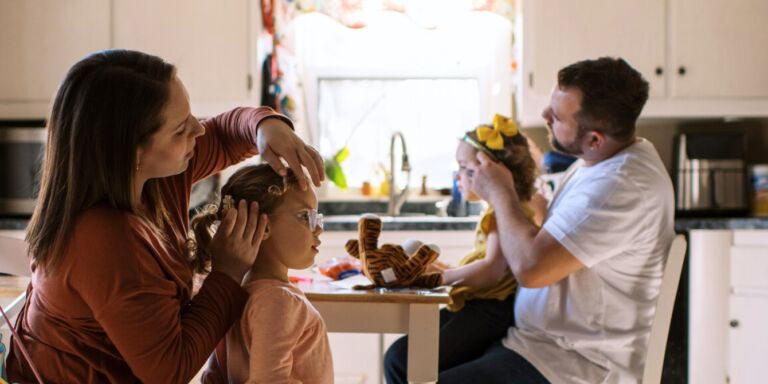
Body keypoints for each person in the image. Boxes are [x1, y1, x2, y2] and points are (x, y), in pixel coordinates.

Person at [6, 49, 324, 383]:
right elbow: (169, 371)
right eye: (180, 130)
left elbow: (226, 133)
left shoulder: (156, 177)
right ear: (133, 150)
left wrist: (265, 125)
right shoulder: (101, 240)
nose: (198, 131)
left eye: (191, 117)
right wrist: (227, 273)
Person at [435, 57, 676, 383]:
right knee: (405, 361)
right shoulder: (597, 161)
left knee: (421, 372)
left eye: (557, 116)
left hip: (577, 364)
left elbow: (532, 270)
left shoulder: (621, 186)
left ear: (594, 138)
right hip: (538, 344)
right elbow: (553, 234)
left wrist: (502, 192)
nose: (544, 117)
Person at [383, 115, 539, 383]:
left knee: (401, 360)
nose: (459, 176)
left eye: (466, 168)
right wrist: (448, 270)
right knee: (400, 357)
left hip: (489, 311)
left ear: (496, 173)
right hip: (484, 307)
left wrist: (439, 278)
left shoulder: (504, 216)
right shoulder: (505, 212)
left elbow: (491, 270)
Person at [194, 165, 333, 383]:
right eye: (306, 216)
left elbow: (214, 378)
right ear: (263, 226)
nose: (318, 228)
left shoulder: (232, 295)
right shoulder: (278, 301)